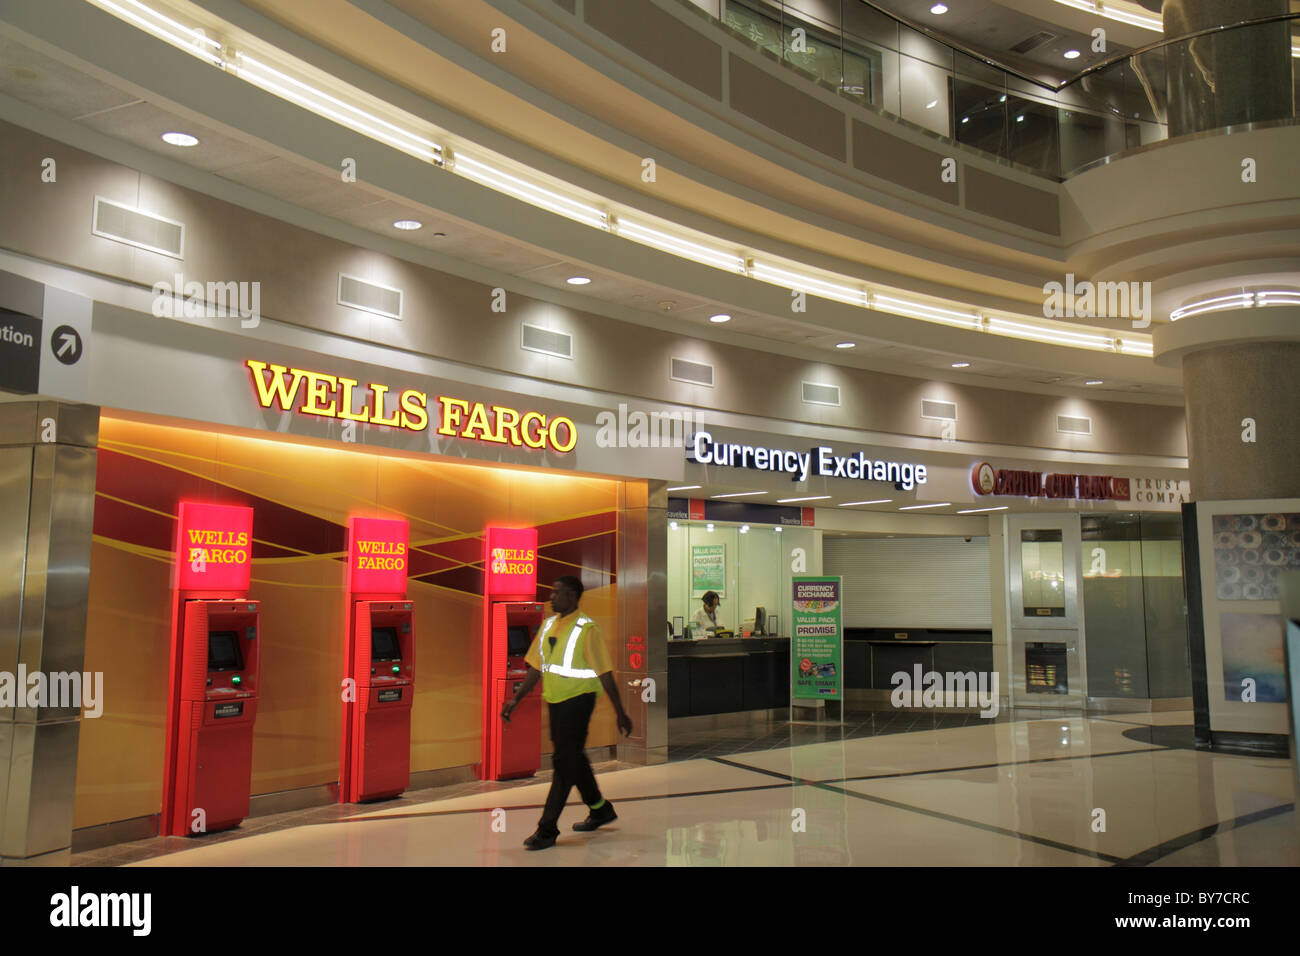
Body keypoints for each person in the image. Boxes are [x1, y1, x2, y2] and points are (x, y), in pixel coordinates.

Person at [501, 574, 633, 850]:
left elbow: (605, 673)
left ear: (572, 596)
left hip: (579, 701)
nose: (551, 597)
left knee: (563, 762)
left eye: (557, 592)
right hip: (557, 702)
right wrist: (517, 699)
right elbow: (536, 668)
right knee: (572, 759)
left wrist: (621, 712)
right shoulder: (549, 625)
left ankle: (547, 829)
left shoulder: (587, 629)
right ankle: (600, 808)